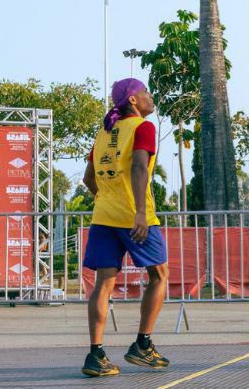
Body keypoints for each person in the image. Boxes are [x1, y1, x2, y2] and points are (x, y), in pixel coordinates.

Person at [81, 78, 170, 377]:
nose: (149, 95)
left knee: (103, 284)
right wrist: (141, 214)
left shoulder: (104, 131)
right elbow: (138, 167)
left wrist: (104, 199)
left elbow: (88, 178)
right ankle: (142, 346)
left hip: (103, 217)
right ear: (133, 100)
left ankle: (96, 355)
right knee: (159, 275)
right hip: (134, 217)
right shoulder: (143, 127)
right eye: (145, 91)